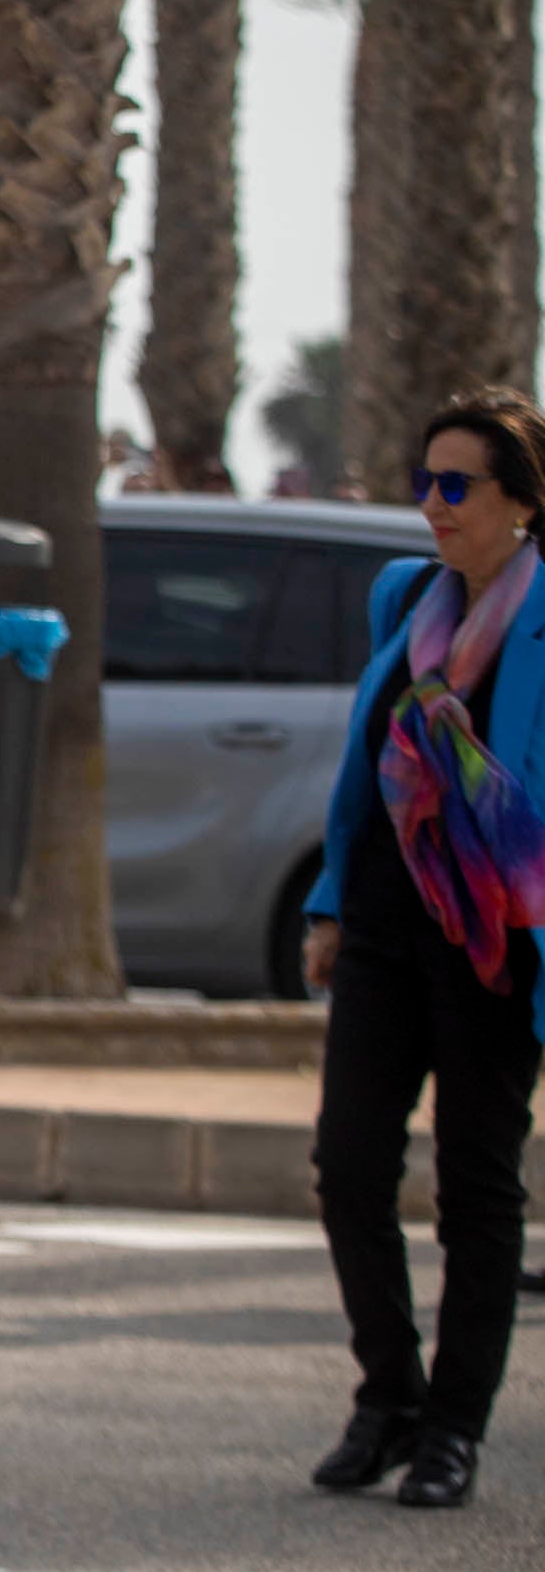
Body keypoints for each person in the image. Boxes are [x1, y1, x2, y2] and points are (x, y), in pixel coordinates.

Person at [298, 389, 545, 1511]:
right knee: (348, 1164)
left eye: (458, 486)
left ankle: (452, 1430)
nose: (433, 506)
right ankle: (385, 1396)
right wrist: (330, 905)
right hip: (388, 932)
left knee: (476, 1188)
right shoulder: (404, 599)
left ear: (521, 503)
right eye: (425, 482)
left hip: (499, 943)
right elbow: (362, 775)